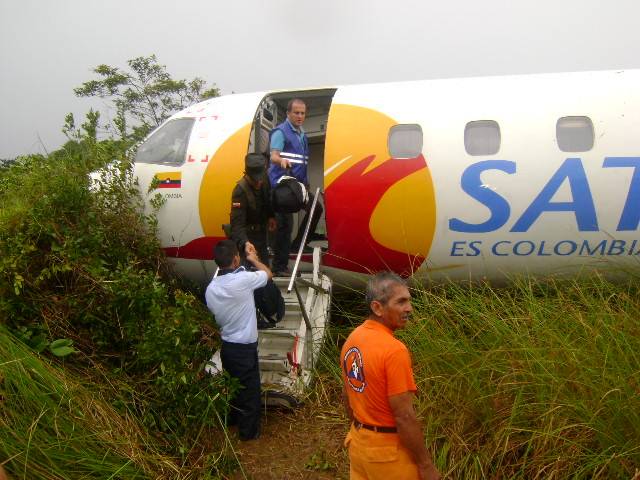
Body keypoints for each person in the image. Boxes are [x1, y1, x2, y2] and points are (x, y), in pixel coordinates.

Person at [341, 272, 441, 480]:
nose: (409, 309)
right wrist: (426, 465)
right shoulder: (394, 350)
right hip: (387, 456)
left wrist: (362, 429)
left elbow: (347, 394)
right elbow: (404, 416)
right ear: (377, 307)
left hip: (359, 445)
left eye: (409, 301)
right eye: (401, 302)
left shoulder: (353, 339)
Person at [205, 239, 272, 440]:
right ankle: (248, 434)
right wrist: (253, 259)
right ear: (236, 259)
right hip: (244, 348)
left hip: (227, 346)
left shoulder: (211, 289)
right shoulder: (243, 280)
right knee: (250, 393)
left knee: (233, 387)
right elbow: (268, 275)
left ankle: (232, 421)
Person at [269, 98, 323, 275]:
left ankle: (300, 243)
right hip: (282, 185)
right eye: (296, 113)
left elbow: (302, 162)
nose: (300, 116)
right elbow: (273, 156)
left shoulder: (301, 134)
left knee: (316, 208)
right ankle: (279, 267)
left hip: (297, 185)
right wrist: (281, 160)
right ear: (288, 113)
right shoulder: (280, 132)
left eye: (303, 113)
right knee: (284, 226)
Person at [230, 153, 276, 265]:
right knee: (249, 275)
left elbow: (268, 199)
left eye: (261, 178)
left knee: (265, 273)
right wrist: (245, 243)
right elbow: (237, 225)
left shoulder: (264, 179)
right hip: (247, 238)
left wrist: (271, 216)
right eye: (256, 180)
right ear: (248, 175)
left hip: (262, 236)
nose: (260, 182)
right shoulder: (240, 191)